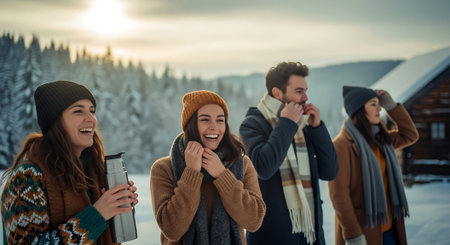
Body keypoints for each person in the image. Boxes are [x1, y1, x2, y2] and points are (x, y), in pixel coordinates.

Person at [1, 80, 139, 244]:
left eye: (92, 111)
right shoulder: (27, 178)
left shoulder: (95, 171)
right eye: (78, 111)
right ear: (55, 121)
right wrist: (97, 215)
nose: (91, 119)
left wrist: (119, 206)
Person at [239, 62, 338, 245]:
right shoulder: (252, 124)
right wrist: (286, 123)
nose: (306, 97)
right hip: (273, 237)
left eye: (306, 90)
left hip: (311, 234)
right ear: (277, 93)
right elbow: (263, 167)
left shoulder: (302, 126)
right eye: (299, 91)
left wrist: (317, 129)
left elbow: (330, 171)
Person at [150, 90, 266, 245]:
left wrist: (222, 175)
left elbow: (254, 220)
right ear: (190, 125)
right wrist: (191, 173)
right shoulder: (164, 169)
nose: (214, 127)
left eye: (220, 120)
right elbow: (172, 229)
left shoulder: (242, 164)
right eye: (205, 120)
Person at [328, 86, 419, 245]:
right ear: (359, 110)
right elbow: (340, 197)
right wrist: (354, 235)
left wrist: (391, 106)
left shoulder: (381, 140)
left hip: (391, 228)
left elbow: (410, 134)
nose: (379, 109)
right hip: (363, 233)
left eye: (379, 104)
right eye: (373, 104)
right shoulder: (341, 146)